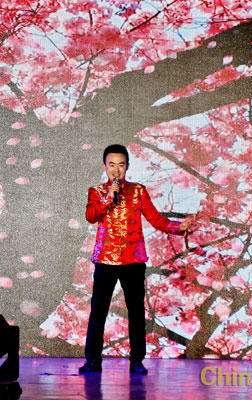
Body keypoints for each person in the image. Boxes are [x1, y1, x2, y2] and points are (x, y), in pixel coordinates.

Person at [79, 144, 195, 374]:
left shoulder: (138, 191)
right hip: (105, 260)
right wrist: (108, 197)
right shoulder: (96, 191)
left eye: (121, 165)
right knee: (98, 311)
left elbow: (156, 219)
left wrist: (177, 227)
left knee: (136, 312)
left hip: (133, 260)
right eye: (112, 165)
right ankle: (92, 360)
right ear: (104, 166)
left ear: (127, 167)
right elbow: (91, 216)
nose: (116, 170)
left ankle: (137, 361)